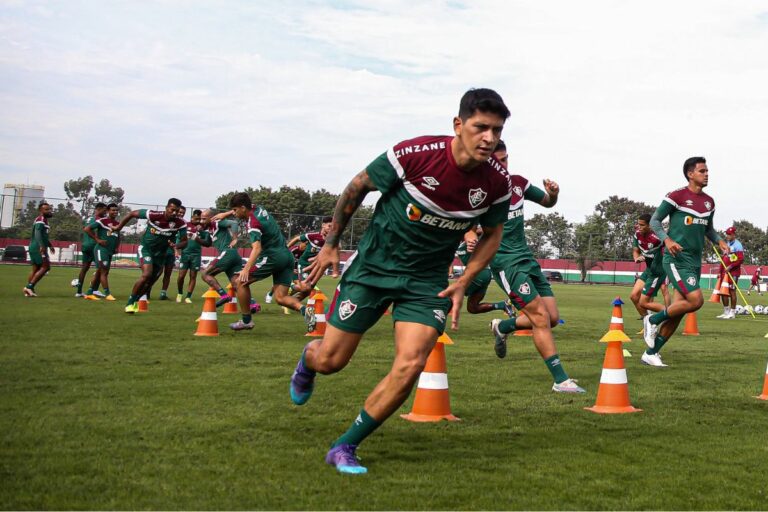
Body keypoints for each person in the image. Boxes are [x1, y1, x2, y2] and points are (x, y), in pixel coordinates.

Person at [289, 88, 513, 475]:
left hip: (426, 283)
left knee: (411, 364)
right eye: (481, 128)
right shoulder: (413, 155)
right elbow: (358, 185)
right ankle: (309, 362)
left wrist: (465, 280)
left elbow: (492, 235)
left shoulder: (496, 184)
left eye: (496, 130)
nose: (489, 139)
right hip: (371, 271)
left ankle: (345, 445)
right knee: (332, 360)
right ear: (458, 125)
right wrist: (331, 244)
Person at [487, 141, 584, 393]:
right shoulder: (478, 191)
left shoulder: (518, 183)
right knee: (539, 317)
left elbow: (547, 203)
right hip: (505, 263)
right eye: (496, 161)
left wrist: (553, 193)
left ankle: (502, 326)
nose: (502, 166)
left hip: (527, 259)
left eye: (505, 159)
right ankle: (561, 380)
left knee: (551, 318)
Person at [643, 157, 729, 366]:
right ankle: (652, 320)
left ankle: (651, 353)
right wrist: (668, 240)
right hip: (676, 259)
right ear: (690, 174)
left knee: (680, 310)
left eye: (707, 171)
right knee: (696, 301)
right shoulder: (676, 196)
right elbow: (654, 221)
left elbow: (708, 229)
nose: (706, 174)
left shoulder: (709, 202)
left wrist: (720, 241)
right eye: (702, 171)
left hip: (694, 261)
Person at [212, 193, 311, 331]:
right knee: (280, 297)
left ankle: (246, 321)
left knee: (240, 282)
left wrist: (246, 269)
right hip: (287, 256)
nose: (234, 213)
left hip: (272, 257)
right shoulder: (258, 208)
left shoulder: (253, 223)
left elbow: (257, 248)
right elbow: (246, 205)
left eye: (235, 210)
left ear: (242, 208)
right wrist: (226, 213)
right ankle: (305, 310)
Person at [112, 198, 188, 314]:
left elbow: (185, 241)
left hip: (161, 255)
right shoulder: (153, 215)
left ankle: (135, 301)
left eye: (177, 211)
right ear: (166, 208)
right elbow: (132, 213)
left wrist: (176, 245)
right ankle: (129, 303)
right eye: (172, 210)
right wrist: (118, 228)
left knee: (151, 281)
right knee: (147, 274)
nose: (175, 213)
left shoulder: (180, 223)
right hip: (146, 249)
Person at [456, 225, 512, 315]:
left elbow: (485, 229)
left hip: (478, 273)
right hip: (483, 274)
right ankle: (503, 305)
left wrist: (474, 231)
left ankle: (435, 325)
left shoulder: (471, 238)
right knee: (473, 308)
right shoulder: (459, 242)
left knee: (448, 296)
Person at [283, 216, 333, 301]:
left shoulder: (331, 240)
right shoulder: (313, 236)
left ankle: (293, 304)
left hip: (317, 267)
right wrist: (285, 248)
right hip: (305, 264)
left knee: (308, 291)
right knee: (305, 288)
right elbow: (297, 238)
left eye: (333, 227)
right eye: (329, 226)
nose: (331, 229)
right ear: (323, 225)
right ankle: (289, 286)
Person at [629, 213, 668, 318]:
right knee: (633, 296)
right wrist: (637, 258)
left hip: (658, 272)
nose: (639, 227)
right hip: (649, 270)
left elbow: (670, 246)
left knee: (644, 302)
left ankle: (672, 312)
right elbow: (635, 251)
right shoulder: (637, 234)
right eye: (638, 224)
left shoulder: (657, 238)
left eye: (642, 225)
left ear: (649, 225)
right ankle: (648, 323)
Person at [82, 203, 121, 300]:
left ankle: (89, 292)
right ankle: (108, 294)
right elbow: (87, 229)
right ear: (108, 211)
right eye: (113, 210)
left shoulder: (117, 224)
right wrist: (97, 240)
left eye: (116, 210)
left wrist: (116, 246)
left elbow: (118, 236)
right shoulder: (102, 221)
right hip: (101, 249)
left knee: (101, 271)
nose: (115, 212)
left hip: (110, 251)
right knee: (104, 272)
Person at [176, 209, 212, 303]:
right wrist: (176, 249)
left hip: (196, 255)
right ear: (192, 217)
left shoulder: (203, 228)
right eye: (196, 219)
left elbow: (206, 242)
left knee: (193, 276)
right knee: (181, 276)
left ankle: (188, 296)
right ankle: (179, 293)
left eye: (199, 219)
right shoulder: (185, 225)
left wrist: (202, 231)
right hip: (185, 253)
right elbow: (179, 238)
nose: (198, 221)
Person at [74, 202, 107, 298]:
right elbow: (88, 230)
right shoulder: (98, 219)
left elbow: (84, 228)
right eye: (104, 211)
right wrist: (97, 239)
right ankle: (94, 290)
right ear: (98, 209)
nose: (105, 213)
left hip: (85, 245)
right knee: (101, 269)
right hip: (94, 246)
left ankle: (79, 292)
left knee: (84, 268)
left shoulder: (88, 219)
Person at [23, 201, 55, 297]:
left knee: (36, 269)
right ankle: (29, 287)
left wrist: (50, 245)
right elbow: (37, 234)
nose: (49, 211)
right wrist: (42, 246)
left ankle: (28, 291)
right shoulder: (41, 219)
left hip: (34, 246)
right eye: (46, 209)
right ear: (41, 211)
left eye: (49, 209)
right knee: (46, 267)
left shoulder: (43, 220)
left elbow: (43, 236)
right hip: (38, 247)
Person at [157, 206, 186, 300]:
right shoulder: (167, 221)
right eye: (180, 212)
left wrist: (176, 250)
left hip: (171, 252)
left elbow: (181, 240)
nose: (181, 214)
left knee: (168, 273)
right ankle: (146, 291)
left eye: (183, 213)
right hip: (162, 250)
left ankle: (163, 293)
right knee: (157, 272)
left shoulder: (182, 225)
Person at [716, 226, 744, 319]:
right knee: (723, 292)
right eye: (726, 234)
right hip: (724, 273)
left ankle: (732, 313)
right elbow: (724, 258)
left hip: (734, 273)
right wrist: (720, 271)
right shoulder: (727, 244)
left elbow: (740, 259)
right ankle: (726, 311)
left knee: (732, 291)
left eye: (729, 234)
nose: (727, 236)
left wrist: (730, 266)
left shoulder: (738, 245)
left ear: (733, 235)